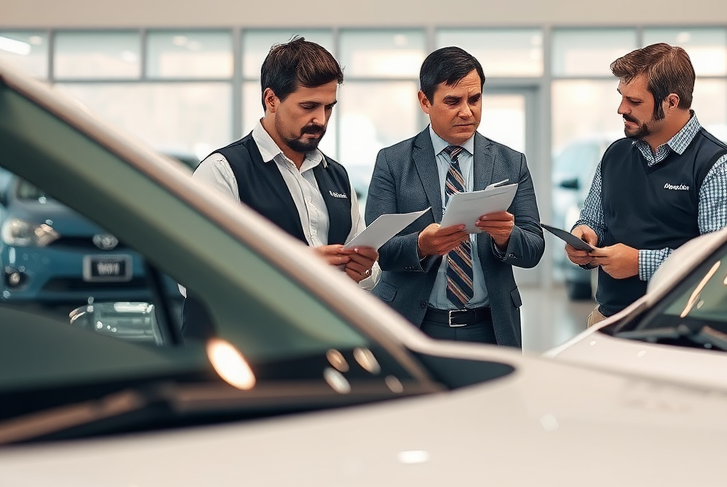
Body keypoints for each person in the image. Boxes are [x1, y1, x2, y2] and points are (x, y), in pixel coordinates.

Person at [183, 37, 378, 338]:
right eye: (308, 106)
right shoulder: (222, 170)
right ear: (271, 99)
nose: (320, 120)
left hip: (320, 343)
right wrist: (293, 268)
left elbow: (368, 275)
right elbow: (194, 272)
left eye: (329, 107)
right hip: (240, 347)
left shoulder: (336, 175)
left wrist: (363, 270)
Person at [365, 46, 544, 348]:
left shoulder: (511, 163)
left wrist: (506, 237)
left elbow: (534, 248)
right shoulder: (393, 162)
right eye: (452, 101)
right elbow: (377, 249)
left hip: (491, 327)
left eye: (474, 99)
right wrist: (420, 246)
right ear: (425, 101)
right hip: (412, 324)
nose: (467, 111)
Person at [566, 43, 727, 326]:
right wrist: (584, 236)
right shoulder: (615, 154)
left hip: (679, 332)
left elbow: (721, 262)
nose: (621, 109)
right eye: (621, 97)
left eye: (634, 101)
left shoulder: (719, 167)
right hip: (607, 321)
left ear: (671, 102)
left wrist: (640, 263)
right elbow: (593, 221)